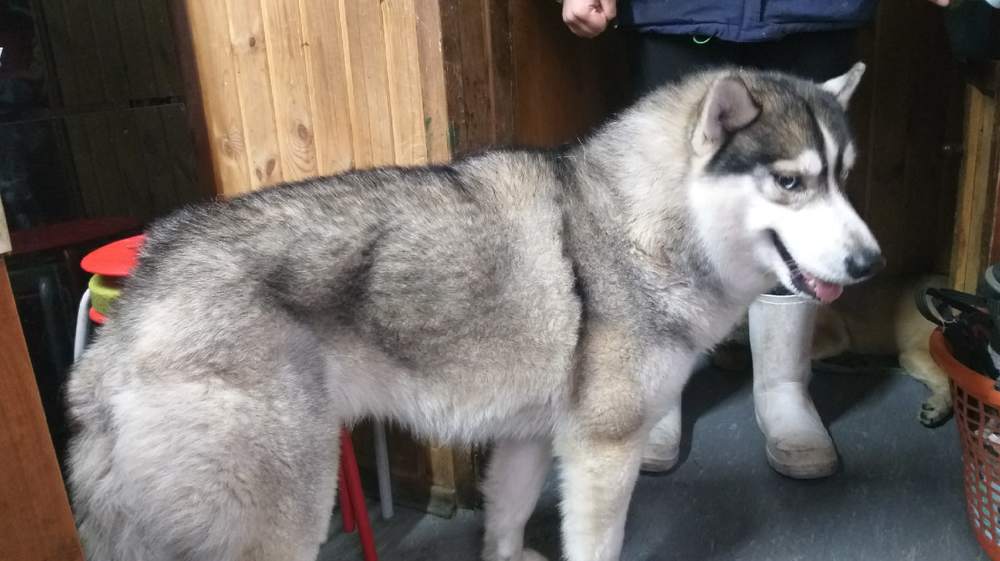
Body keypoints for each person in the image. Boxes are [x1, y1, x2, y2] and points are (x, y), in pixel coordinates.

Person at [559, 0, 950, 479]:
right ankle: (657, 395)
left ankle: (783, 387)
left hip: (812, 11)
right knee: (663, 205)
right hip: (679, 12)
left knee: (801, 190)